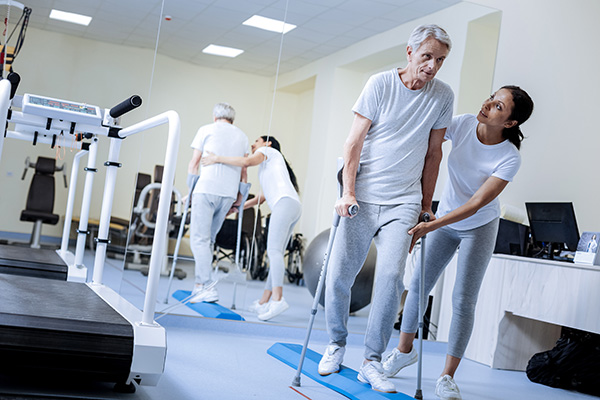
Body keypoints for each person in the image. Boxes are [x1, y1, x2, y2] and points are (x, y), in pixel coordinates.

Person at [317, 24, 455, 393]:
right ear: (409, 53)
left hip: (404, 200)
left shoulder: (443, 95)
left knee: (392, 278)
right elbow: (354, 141)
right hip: (361, 194)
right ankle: (336, 343)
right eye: (427, 56)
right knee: (339, 276)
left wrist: (426, 205)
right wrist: (348, 192)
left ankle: (372, 360)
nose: (432, 66)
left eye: (440, 60)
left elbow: (433, 153)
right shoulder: (380, 84)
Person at [381, 86, 534, 400]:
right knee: (419, 285)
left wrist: (431, 223)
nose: (488, 103)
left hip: (478, 227)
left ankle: (447, 376)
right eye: (491, 97)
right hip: (445, 219)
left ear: (509, 123)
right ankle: (403, 351)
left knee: (463, 301)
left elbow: (478, 202)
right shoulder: (463, 124)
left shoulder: (509, 157)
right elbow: (426, 140)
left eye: (499, 106)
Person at [201, 135, 302, 321]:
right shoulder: (270, 166)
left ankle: (278, 299)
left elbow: (246, 162)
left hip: (284, 204)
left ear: (268, 143)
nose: (254, 144)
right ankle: (265, 301)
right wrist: (237, 208)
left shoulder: (267, 152)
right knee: (277, 253)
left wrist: (217, 158)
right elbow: (260, 199)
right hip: (292, 205)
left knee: (273, 251)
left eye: (257, 140)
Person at [187, 102, 249, 304]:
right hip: (229, 194)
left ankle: (206, 285)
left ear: (215, 117)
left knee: (199, 239)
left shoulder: (206, 129)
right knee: (209, 240)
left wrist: (190, 190)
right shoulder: (242, 136)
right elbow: (244, 170)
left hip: (205, 190)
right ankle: (199, 286)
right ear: (232, 119)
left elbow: (194, 163)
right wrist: (240, 198)